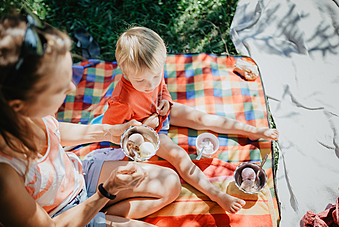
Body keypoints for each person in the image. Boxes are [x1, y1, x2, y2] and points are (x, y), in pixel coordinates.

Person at [0, 10, 181, 227]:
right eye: (59, 87)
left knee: (169, 182)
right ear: (20, 103)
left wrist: (109, 132)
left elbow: (55, 131)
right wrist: (106, 191)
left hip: (77, 177)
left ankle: (99, 219)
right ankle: (94, 224)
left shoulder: (16, 111)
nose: (71, 87)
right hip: (59, 222)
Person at [102, 27, 280, 213]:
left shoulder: (151, 75)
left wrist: (165, 98)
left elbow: (160, 86)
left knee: (203, 118)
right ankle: (217, 195)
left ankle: (252, 131)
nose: (150, 85)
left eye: (155, 75)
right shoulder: (122, 101)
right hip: (151, 133)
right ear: (124, 71)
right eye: (140, 81)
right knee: (180, 157)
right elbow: (109, 130)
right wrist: (145, 127)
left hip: (164, 111)